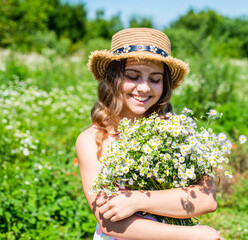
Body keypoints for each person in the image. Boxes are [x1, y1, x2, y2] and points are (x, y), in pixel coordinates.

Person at [76, 28, 224, 240]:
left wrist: (137, 200)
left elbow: (207, 199)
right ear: (112, 78)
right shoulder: (92, 140)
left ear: (164, 86)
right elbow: (109, 222)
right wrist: (191, 235)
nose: (144, 88)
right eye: (133, 76)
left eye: (155, 79)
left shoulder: (177, 131)